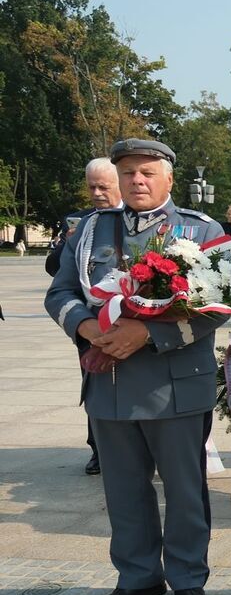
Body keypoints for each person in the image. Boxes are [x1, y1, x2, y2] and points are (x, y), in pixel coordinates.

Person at [44, 138, 228, 595]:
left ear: (169, 177)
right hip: (110, 378)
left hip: (174, 382)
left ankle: (188, 578)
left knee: (185, 490)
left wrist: (146, 333)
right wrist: (87, 328)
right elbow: (60, 291)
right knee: (123, 490)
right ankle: (138, 577)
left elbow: (216, 309)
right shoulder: (90, 231)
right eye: (127, 173)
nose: (137, 181)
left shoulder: (199, 229)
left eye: (147, 172)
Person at [44, 157, 124, 476]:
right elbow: (57, 267)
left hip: (134, 325)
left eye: (103, 186)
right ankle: (99, 450)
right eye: (91, 186)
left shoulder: (141, 219)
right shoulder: (80, 223)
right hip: (91, 324)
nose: (96, 193)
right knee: (95, 385)